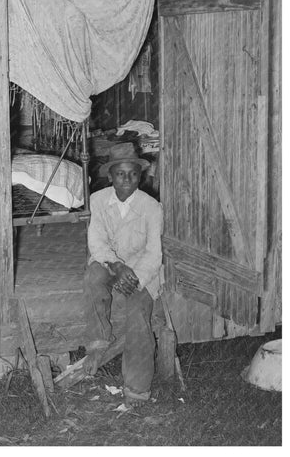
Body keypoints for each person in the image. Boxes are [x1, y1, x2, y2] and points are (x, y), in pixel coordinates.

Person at [83, 142, 164, 408]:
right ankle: (98, 341)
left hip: (141, 270)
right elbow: (96, 243)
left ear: (140, 176)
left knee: (139, 313)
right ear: (110, 176)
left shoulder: (152, 207)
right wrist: (116, 267)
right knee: (93, 276)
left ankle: (137, 388)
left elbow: (154, 253)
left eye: (132, 174)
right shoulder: (97, 200)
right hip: (112, 264)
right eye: (120, 174)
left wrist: (135, 278)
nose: (127, 179)